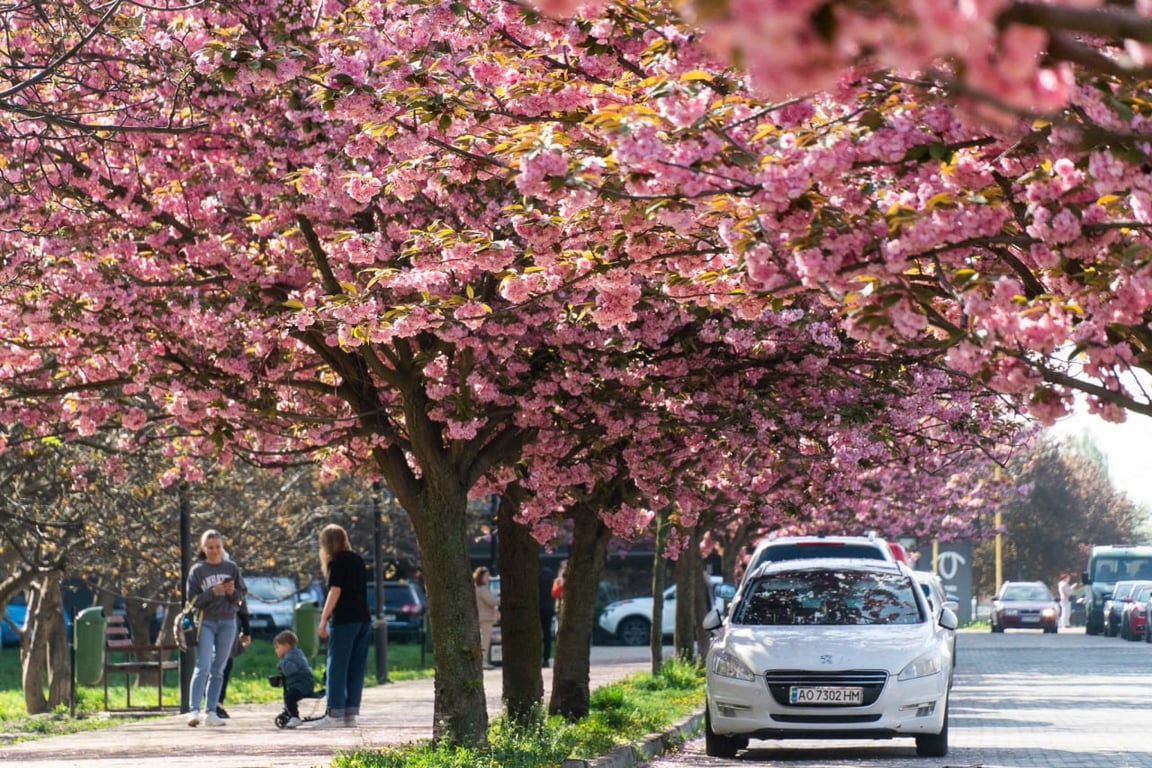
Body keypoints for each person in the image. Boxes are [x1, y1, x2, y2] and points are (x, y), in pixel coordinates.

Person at [185, 529, 246, 727]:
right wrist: (213, 592)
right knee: (203, 665)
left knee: (219, 668)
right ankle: (193, 710)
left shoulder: (231, 567)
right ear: (203, 548)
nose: (215, 551)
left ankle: (211, 711)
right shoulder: (198, 570)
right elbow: (192, 601)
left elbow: (240, 596)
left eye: (218, 547)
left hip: (228, 621)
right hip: (206, 621)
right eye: (210, 547)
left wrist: (231, 591)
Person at [314, 523, 370, 728]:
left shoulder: (336, 561)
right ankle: (350, 714)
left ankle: (335, 713)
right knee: (356, 667)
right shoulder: (357, 560)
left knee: (336, 666)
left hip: (345, 619)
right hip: (363, 619)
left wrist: (324, 618)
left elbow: (335, 591)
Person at [215, 599, 251, 718]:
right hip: (211, 622)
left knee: (225, 665)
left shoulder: (235, 587)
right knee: (217, 665)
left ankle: (218, 703)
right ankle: (214, 703)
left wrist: (246, 630)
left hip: (229, 623)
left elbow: (242, 604)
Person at [274, 629, 316, 728]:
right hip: (302, 683)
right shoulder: (294, 653)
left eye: (277, 647)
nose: (276, 650)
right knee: (290, 696)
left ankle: (295, 717)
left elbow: (290, 670)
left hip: (302, 685)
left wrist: (281, 664)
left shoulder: (291, 656)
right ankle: (291, 714)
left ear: (286, 646)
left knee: (289, 697)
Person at [474, 567, 499, 669]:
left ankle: (482, 660)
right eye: (486, 576)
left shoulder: (478, 588)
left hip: (483, 617)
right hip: (485, 618)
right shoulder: (482, 589)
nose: (488, 578)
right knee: (485, 640)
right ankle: (483, 661)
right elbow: (492, 601)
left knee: (484, 639)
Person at [539, 565, 556, 667]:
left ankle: (537, 656)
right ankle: (546, 658)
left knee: (537, 633)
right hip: (549, 607)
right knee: (547, 633)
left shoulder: (537, 576)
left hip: (538, 607)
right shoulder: (551, 576)